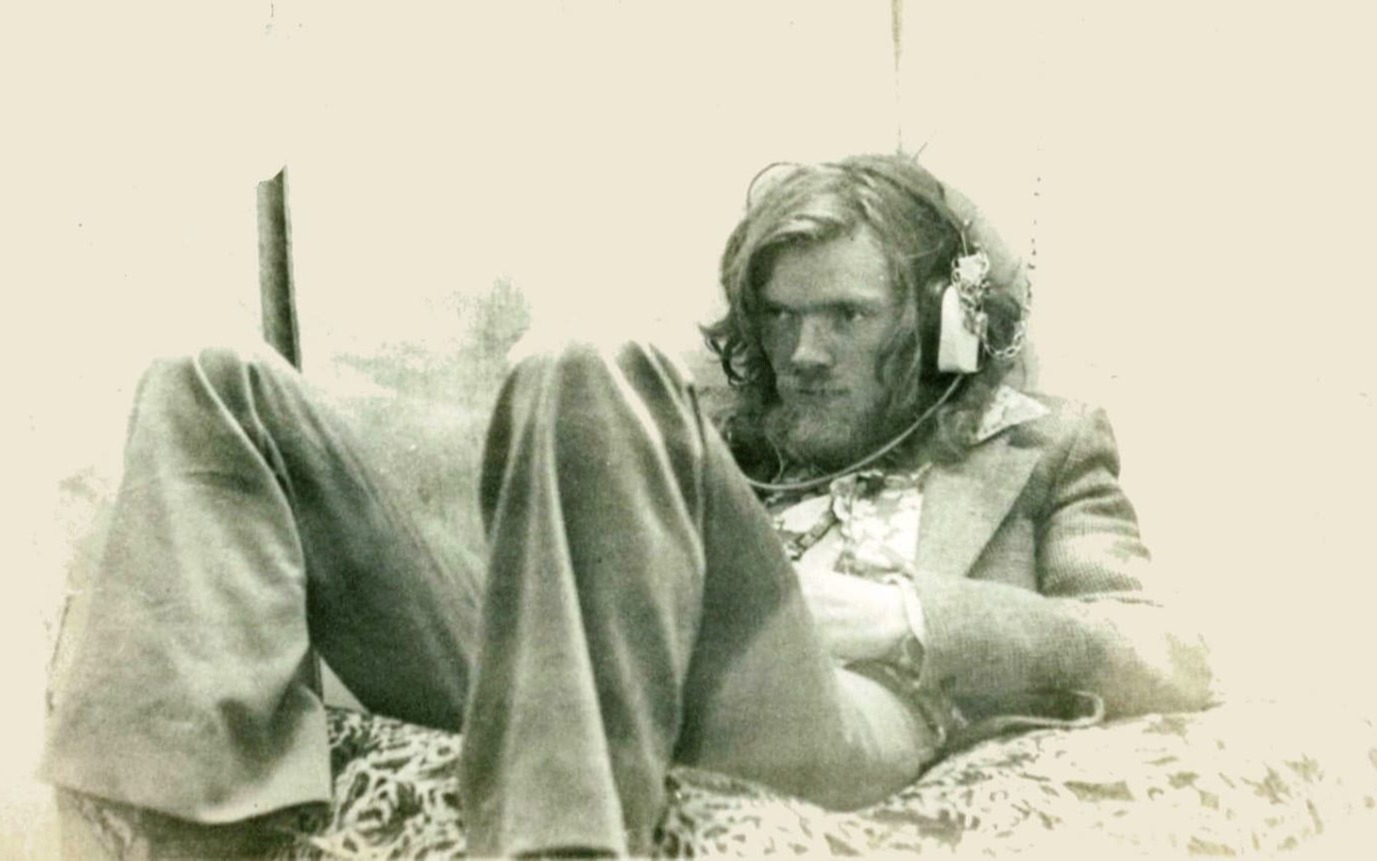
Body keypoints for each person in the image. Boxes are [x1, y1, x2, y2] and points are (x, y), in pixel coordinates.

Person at [41, 153, 1214, 857]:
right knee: (210, 379)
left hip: (832, 705)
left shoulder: (1044, 445)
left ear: (939, 331)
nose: (802, 353)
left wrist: (906, 616)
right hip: (592, 662)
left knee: (594, 353)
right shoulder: (705, 415)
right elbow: (467, 490)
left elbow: (1164, 654)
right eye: (778, 318)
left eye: (846, 317)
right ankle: (176, 830)